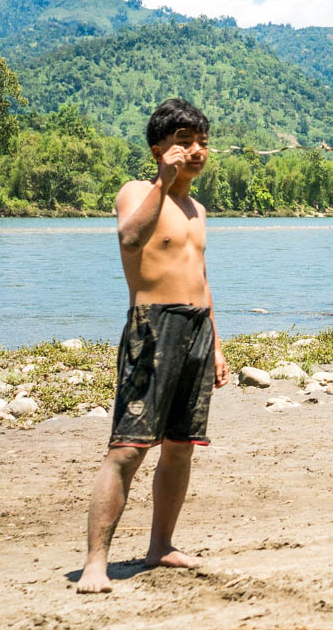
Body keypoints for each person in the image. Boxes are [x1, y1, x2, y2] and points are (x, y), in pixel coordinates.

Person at [77, 98, 229, 594]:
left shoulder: (198, 209)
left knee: (181, 448)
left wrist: (217, 344)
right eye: (185, 142)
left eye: (202, 142)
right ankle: (95, 564)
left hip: (196, 330)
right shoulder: (137, 192)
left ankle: (160, 545)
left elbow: (202, 278)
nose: (196, 151)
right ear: (158, 148)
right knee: (127, 449)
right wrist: (163, 183)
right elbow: (128, 239)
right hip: (152, 326)